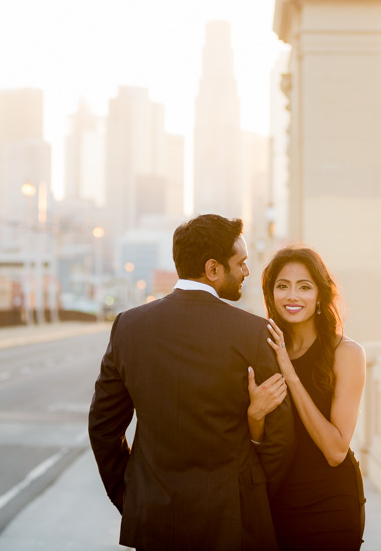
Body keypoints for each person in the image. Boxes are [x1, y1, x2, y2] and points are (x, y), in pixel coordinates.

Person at [88, 214, 294, 550]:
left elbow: (102, 427)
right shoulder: (252, 333)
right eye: (240, 263)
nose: (246, 271)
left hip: (154, 519)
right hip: (235, 522)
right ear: (213, 269)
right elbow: (281, 435)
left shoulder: (129, 326)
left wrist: (131, 496)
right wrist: (254, 496)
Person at [249, 246, 367, 550]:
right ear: (271, 295)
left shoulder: (347, 353)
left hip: (330, 503)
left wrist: (289, 370)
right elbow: (257, 443)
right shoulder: (263, 350)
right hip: (278, 500)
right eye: (282, 286)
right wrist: (254, 415)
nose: (292, 296)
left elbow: (335, 450)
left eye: (304, 286)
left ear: (319, 296)